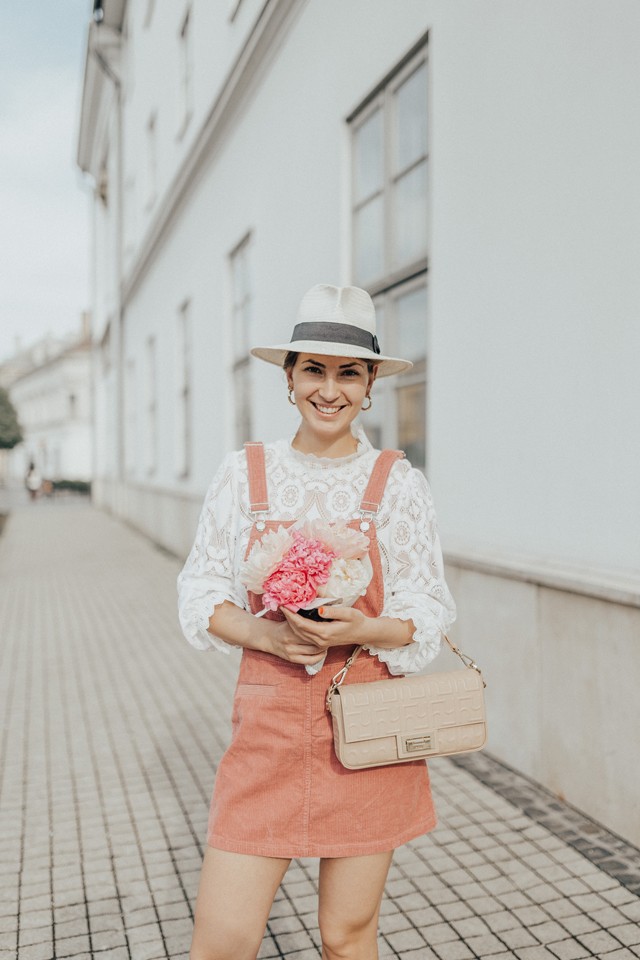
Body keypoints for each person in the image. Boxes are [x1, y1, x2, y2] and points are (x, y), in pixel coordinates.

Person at [177, 283, 456, 960]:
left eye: (349, 373)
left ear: (369, 389)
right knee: (224, 939)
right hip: (267, 728)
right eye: (314, 370)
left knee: (347, 934)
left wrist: (361, 629)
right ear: (289, 378)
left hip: (365, 730)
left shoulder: (397, 482)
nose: (330, 389)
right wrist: (266, 635)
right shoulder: (244, 474)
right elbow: (201, 589)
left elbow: (426, 610)